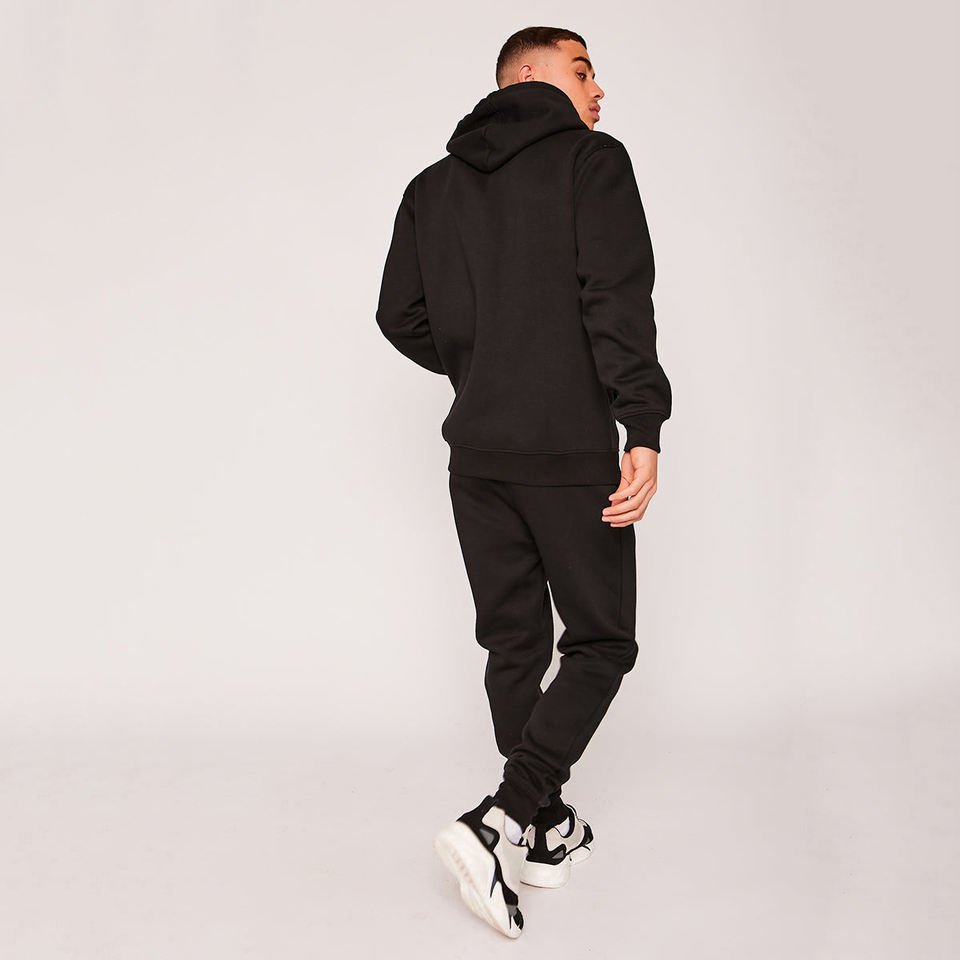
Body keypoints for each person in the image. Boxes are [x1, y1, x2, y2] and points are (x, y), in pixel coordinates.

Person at [375, 25, 672, 938]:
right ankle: (499, 818)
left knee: (513, 645)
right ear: (531, 76)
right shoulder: (592, 163)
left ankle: (543, 830)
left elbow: (398, 315)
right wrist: (642, 423)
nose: (599, 89)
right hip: (567, 454)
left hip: (477, 457)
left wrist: (485, 368)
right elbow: (615, 296)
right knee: (601, 642)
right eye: (584, 70)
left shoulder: (431, 187)